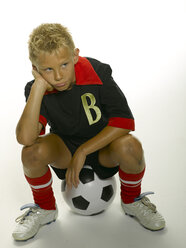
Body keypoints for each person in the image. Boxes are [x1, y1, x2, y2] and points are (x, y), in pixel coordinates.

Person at [12, 23, 165, 241]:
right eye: (47, 69)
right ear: (35, 67)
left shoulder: (98, 71)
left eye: (64, 64)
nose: (57, 76)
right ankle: (45, 209)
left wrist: (83, 150)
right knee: (30, 153)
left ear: (75, 56)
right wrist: (37, 87)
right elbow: (25, 138)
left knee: (131, 146)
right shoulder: (38, 87)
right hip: (64, 149)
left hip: (103, 146)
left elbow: (124, 122)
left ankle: (132, 201)